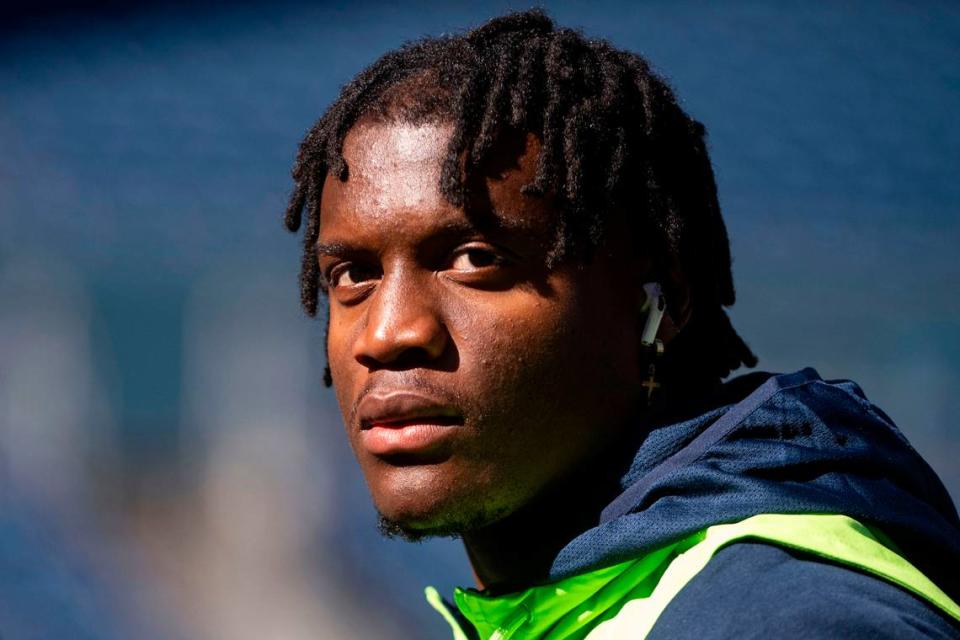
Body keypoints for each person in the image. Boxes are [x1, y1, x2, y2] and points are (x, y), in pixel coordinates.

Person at [282, 9, 960, 639]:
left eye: (474, 259)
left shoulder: (786, 618)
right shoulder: (561, 603)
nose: (386, 334)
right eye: (352, 276)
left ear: (662, 299)